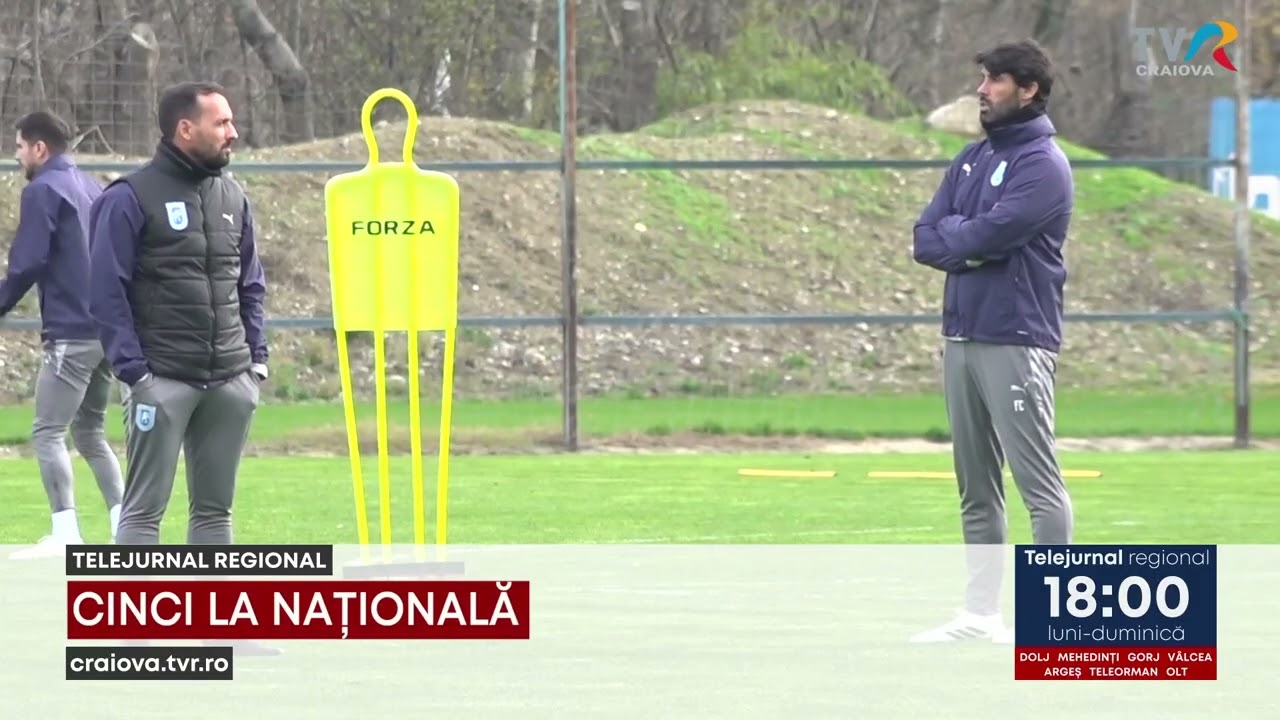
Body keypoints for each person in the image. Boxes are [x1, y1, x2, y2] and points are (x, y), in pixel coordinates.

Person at [909, 40, 1074, 643]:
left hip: (1015, 338)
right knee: (976, 487)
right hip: (962, 335)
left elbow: (989, 235)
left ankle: (1053, 624)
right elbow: (926, 238)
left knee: (1038, 487)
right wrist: (968, 239)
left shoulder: (1043, 165)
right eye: (983, 78)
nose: (982, 90)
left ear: (1028, 90)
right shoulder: (971, 159)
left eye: (995, 80)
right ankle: (980, 616)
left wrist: (966, 238)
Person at [88, 81, 268, 547]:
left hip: (231, 380)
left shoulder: (233, 198)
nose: (233, 132)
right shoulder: (127, 198)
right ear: (186, 129)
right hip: (161, 379)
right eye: (221, 122)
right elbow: (106, 294)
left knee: (214, 515)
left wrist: (256, 363)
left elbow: (250, 285)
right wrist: (135, 372)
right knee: (142, 514)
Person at [3, 110, 124, 559]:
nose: (17, 155)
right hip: (104, 330)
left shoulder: (42, 190)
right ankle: (125, 532)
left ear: (39, 148)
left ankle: (66, 532)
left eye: (19, 146)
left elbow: (27, 262)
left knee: (47, 432)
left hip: (70, 331)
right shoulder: (91, 187)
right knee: (90, 433)